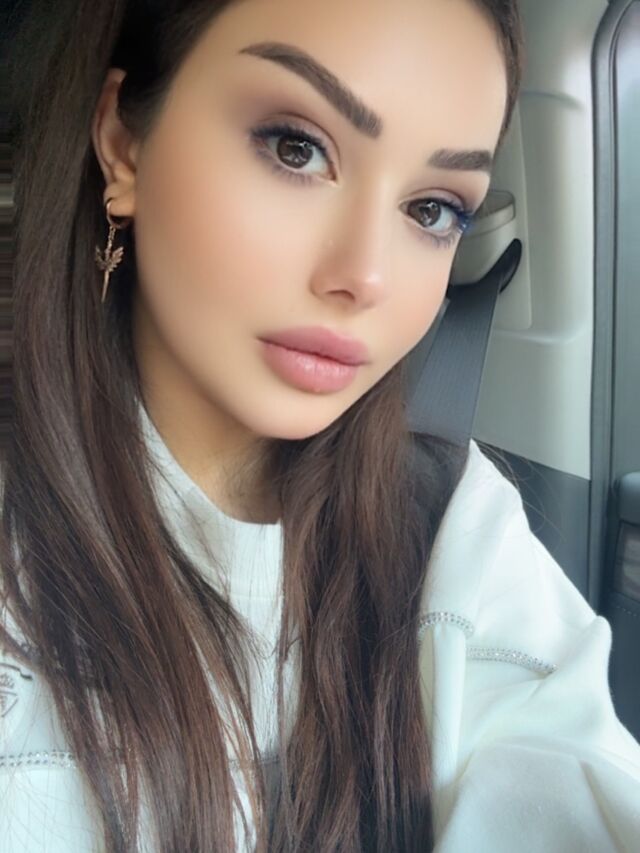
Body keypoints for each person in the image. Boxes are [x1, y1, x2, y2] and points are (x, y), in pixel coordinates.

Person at [1, 0, 639, 850]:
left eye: (432, 209)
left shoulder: (451, 524)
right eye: (296, 148)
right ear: (124, 143)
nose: (365, 276)